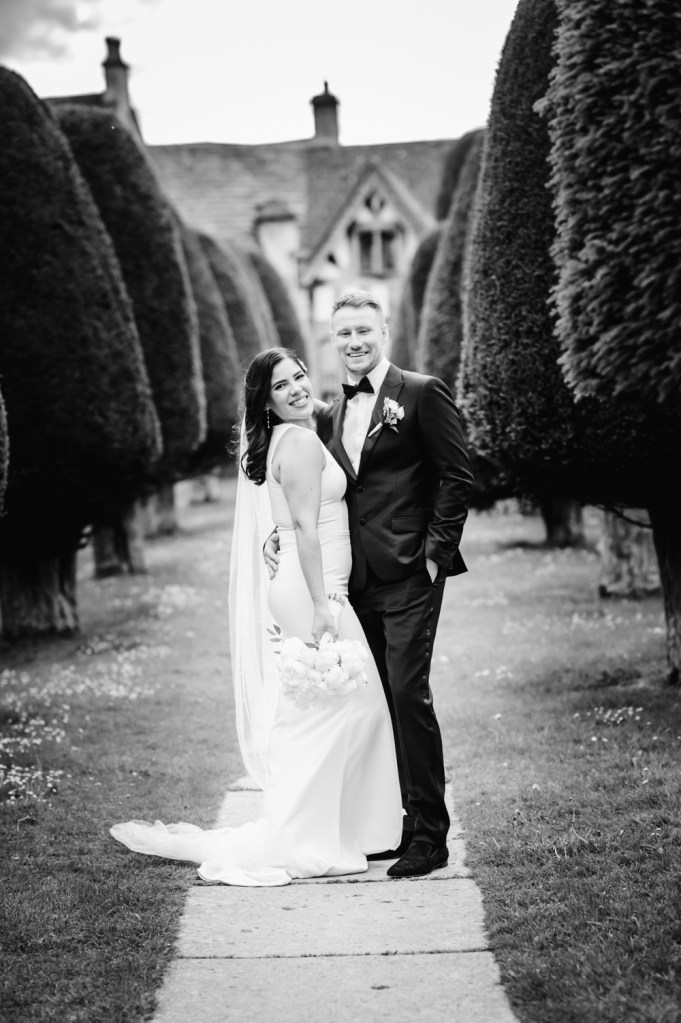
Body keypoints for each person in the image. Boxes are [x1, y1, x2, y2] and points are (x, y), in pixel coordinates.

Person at [110, 347, 403, 886]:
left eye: (298, 377)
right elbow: (309, 531)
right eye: (280, 387)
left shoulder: (292, 435)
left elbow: (289, 519)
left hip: (306, 583)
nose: (295, 389)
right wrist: (322, 605)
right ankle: (307, 839)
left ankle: (341, 829)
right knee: (346, 712)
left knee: (333, 711)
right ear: (264, 403)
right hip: (313, 589)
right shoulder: (297, 445)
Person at [267, 291, 474, 878]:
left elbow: (458, 475)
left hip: (411, 572)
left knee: (409, 693)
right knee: (378, 703)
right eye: (343, 334)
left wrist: (435, 554)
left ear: (383, 330)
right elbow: (322, 495)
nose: (354, 342)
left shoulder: (421, 392)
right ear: (332, 341)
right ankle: (396, 828)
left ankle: (431, 835)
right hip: (354, 582)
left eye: (364, 329)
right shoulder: (328, 414)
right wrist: (281, 535)